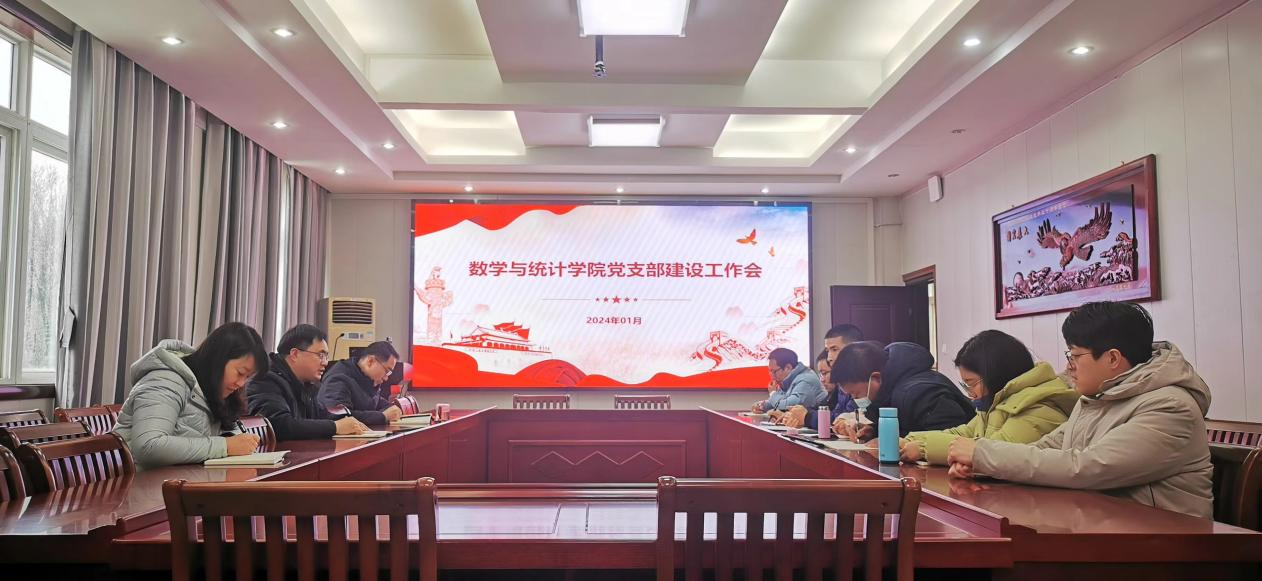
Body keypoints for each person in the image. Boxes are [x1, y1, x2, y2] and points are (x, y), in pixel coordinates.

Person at [947, 302, 1214, 518]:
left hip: (1164, 544)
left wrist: (982, 454)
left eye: (1074, 356)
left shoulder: (1170, 407)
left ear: (1112, 358)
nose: (1069, 366)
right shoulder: (1099, 398)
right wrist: (981, 467)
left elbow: (1088, 468)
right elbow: (1047, 447)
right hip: (1103, 528)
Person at [900, 330, 1077, 464]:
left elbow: (994, 451)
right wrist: (911, 440)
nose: (970, 393)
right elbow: (965, 432)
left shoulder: (1041, 407)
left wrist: (923, 448)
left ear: (996, 376)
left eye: (971, 383)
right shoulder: (995, 403)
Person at [114, 322, 268, 469]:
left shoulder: (211, 388)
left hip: (181, 480)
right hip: (137, 483)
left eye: (247, 377)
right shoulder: (165, 381)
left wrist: (237, 441)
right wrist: (225, 446)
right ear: (218, 360)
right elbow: (149, 446)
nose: (241, 383)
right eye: (240, 373)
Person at [247, 324, 375, 440]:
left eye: (326, 356)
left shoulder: (306, 384)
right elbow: (278, 425)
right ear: (295, 354)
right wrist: (335, 427)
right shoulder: (266, 379)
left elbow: (321, 415)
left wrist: (350, 422)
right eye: (320, 355)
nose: (325, 362)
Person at [831, 341, 973, 442]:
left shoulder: (919, 392)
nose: (855, 400)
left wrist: (896, 443)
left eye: (855, 394)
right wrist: (875, 431)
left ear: (875, 378)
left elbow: (950, 438)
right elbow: (911, 428)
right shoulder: (891, 389)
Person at [318, 341, 403, 425]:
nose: (386, 378)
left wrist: (391, 408)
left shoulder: (366, 378)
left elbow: (374, 402)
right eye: (387, 371)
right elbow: (340, 416)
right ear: (370, 361)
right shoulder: (338, 379)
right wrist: (383, 416)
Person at [776, 349, 858, 429]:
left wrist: (806, 417)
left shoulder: (806, 379)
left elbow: (836, 420)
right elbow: (819, 408)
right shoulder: (834, 393)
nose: (822, 380)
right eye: (820, 374)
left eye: (824, 373)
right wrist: (793, 414)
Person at [752, 348, 824, 413]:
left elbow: (788, 407)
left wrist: (773, 393)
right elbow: (781, 401)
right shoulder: (787, 381)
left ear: (788, 367)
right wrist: (762, 406)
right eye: (770, 371)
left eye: (774, 371)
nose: (772, 376)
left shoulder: (806, 380)